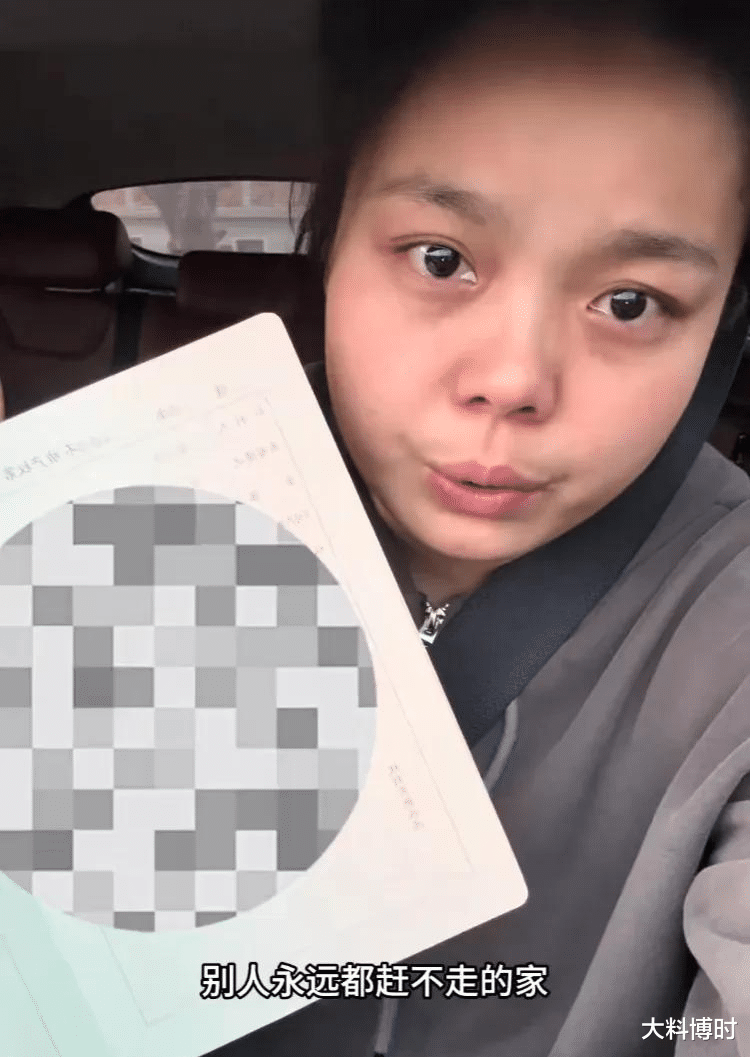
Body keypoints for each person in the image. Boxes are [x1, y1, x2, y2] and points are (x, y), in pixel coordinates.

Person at [215, 1, 750, 1053]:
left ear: (724, 321)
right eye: (439, 258)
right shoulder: (118, 517)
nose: (511, 378)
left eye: (632, 302)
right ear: (330, 246)